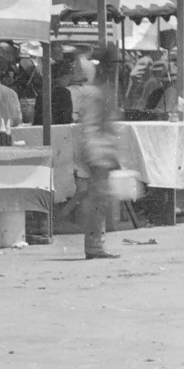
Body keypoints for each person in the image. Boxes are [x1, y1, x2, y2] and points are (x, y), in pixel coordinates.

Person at [72, 47, 124, 259]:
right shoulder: (95, 92)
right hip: (98, 152)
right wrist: (97, 154)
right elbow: (91, 126)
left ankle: (96, 243)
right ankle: (94, 245)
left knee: (100, 200)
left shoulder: (102, 89)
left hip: (102, 151)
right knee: (97, 200)